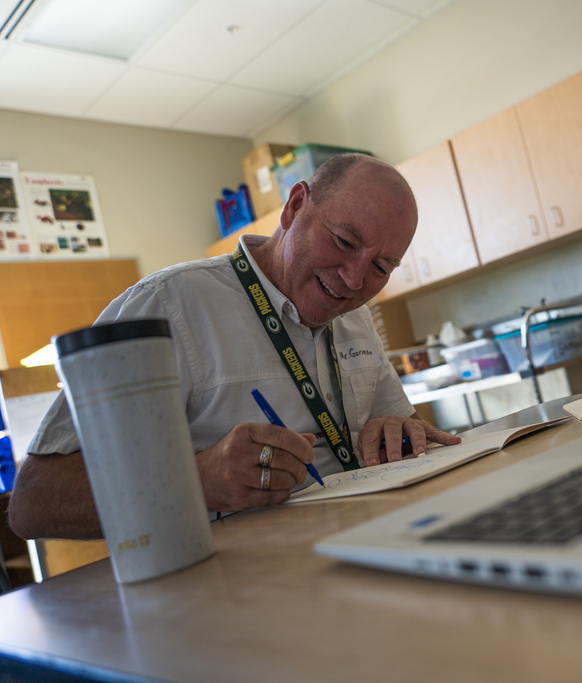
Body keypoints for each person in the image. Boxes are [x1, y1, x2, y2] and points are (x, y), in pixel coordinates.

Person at [8, 153, 460, 541]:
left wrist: (402, 431)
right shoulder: (166, 307)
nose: (355, 280)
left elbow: (402, 424)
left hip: (370, 544)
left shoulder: (353, 313)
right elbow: (33, 502)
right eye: (344, 242)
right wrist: (198, 479)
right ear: (295, 205)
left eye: (381, 267)